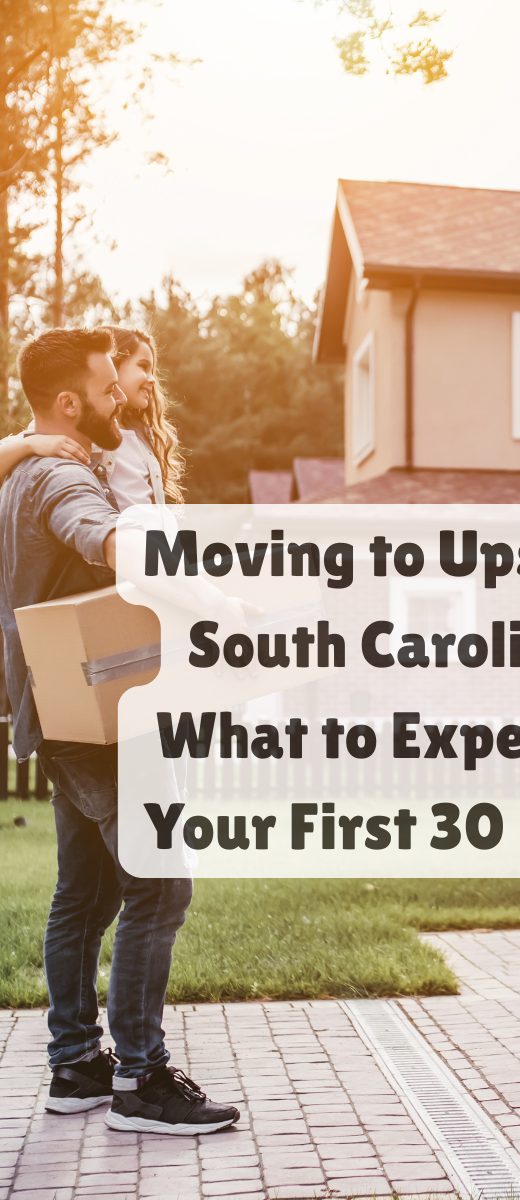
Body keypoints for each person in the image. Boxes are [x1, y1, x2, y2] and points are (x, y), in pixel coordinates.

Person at [0, 327, 239, 1134]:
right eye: (107, 390)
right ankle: (141, 1079)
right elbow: (108, 536)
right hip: (100, 722)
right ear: (69, 402)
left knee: (87, 893)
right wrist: (218, 604)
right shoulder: (62, 478)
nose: (120, 400)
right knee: (161, 884)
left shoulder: (26, 466)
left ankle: (75, 1065)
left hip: (67, 715)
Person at [0, 324, 183, 511]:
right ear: (115, 364)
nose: (152, 378)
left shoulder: (143, 433)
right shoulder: (89, 429)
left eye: (152, 370)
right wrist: (30, 444)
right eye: (143, 366)